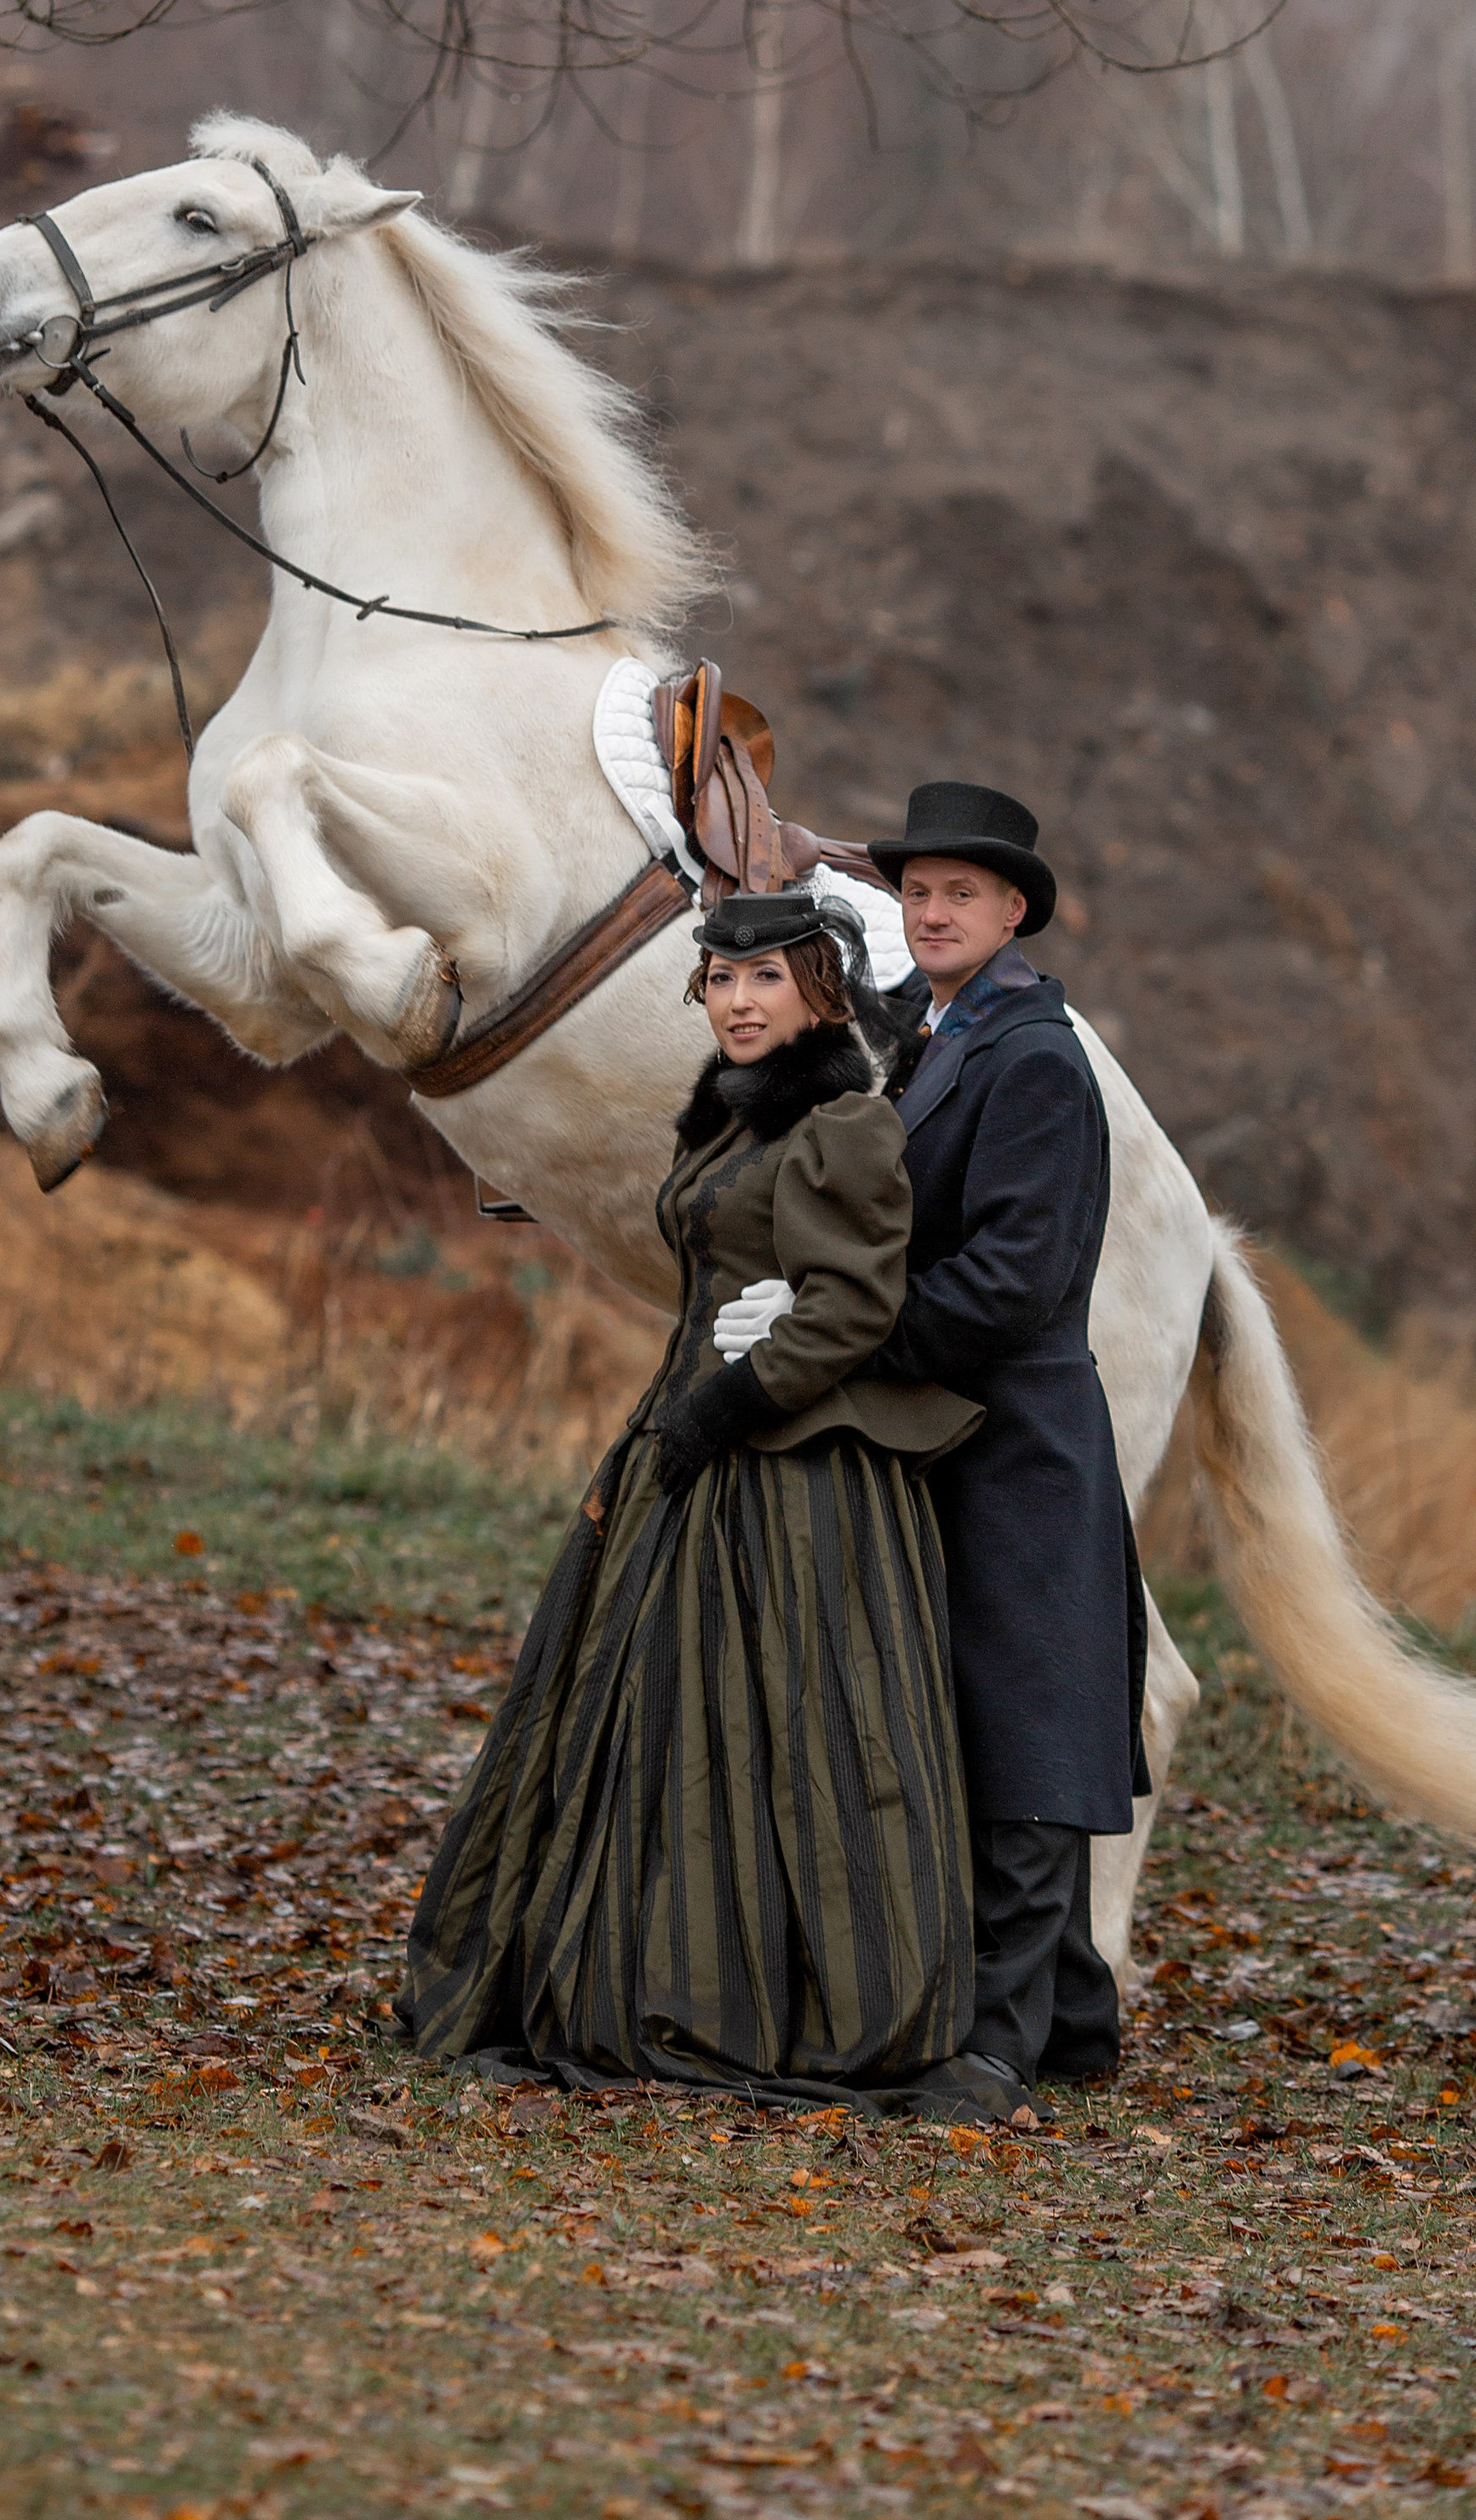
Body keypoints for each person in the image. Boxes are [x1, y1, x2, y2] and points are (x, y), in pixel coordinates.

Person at [400, 888, 987, 2104]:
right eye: (718, 980)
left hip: (798, 1475)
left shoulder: (843, 1127)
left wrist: (728, 1405)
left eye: (763, 979)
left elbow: (853, 1308)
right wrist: (667, 1430)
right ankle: (624, 1965)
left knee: (790, 1737)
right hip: (690, 1442)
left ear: (820, 993)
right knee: (654, 1712)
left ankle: (778, 1996)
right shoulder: (727, 1125)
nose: (734, 1001)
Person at [714, 784, 1146, 2100]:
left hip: (1021, 1430)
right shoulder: (948, 1029)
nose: (935, 911)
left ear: (1014, 909)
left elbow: (1014, 1282)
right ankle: (1068, 2020)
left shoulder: (1037, 1059)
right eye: (919, 892)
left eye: (963, 892)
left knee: (1027, 1729)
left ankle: (1001, 2047)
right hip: (956, 1429)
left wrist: (836, 1334)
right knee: (974, 1714)